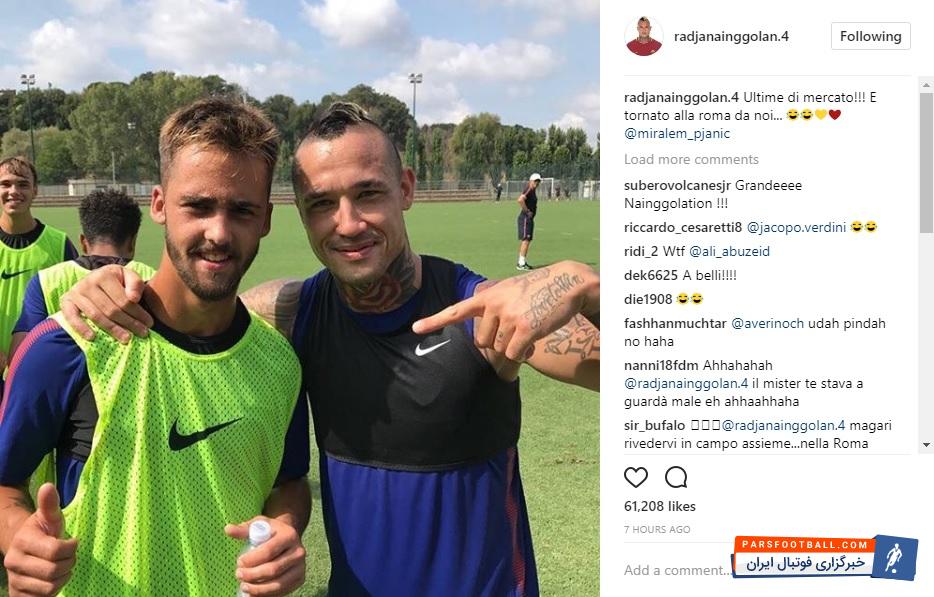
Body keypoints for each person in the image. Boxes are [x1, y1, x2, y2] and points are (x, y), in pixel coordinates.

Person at [60, 101, 600, 596]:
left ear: (405, 189)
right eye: (322, 204)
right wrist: (107, 285)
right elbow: (187, 312)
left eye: (368, 194)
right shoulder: (291, 312)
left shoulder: (480, 312)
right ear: (300, 214)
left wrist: (589, 288)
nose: (348, 224)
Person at [0, 97, 310, 596]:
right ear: (160, 205)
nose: (219, 233)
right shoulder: (71, 343)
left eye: (242, 210)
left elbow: (288, 483)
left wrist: (286, 526)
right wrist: (19, 535)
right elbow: (4, 483)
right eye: (198, 206)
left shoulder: (280, 363)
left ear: (266, 219)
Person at [9, 188, 155, 360]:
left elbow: (19, 356)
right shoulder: (151, 279)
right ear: (133, 243)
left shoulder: (45, 280)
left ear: (83, 242)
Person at [0, 156, 77, 367]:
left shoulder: (60, 244)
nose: (14, 191)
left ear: (35, 190)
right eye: (5, 184)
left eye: (23, 184)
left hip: (42, 368)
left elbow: (76, 305)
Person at [517, 172, 541, 270]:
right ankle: (521, 263)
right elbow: (520, 200)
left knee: (527, 240)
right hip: (525, 219)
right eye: (535, 181)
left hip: (529, 219)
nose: (537, 183)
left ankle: (522, 261)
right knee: (526, 240)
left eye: (538, 181)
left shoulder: (532, 190)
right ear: (531, 181)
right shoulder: (529, 189)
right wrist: (527, 211)